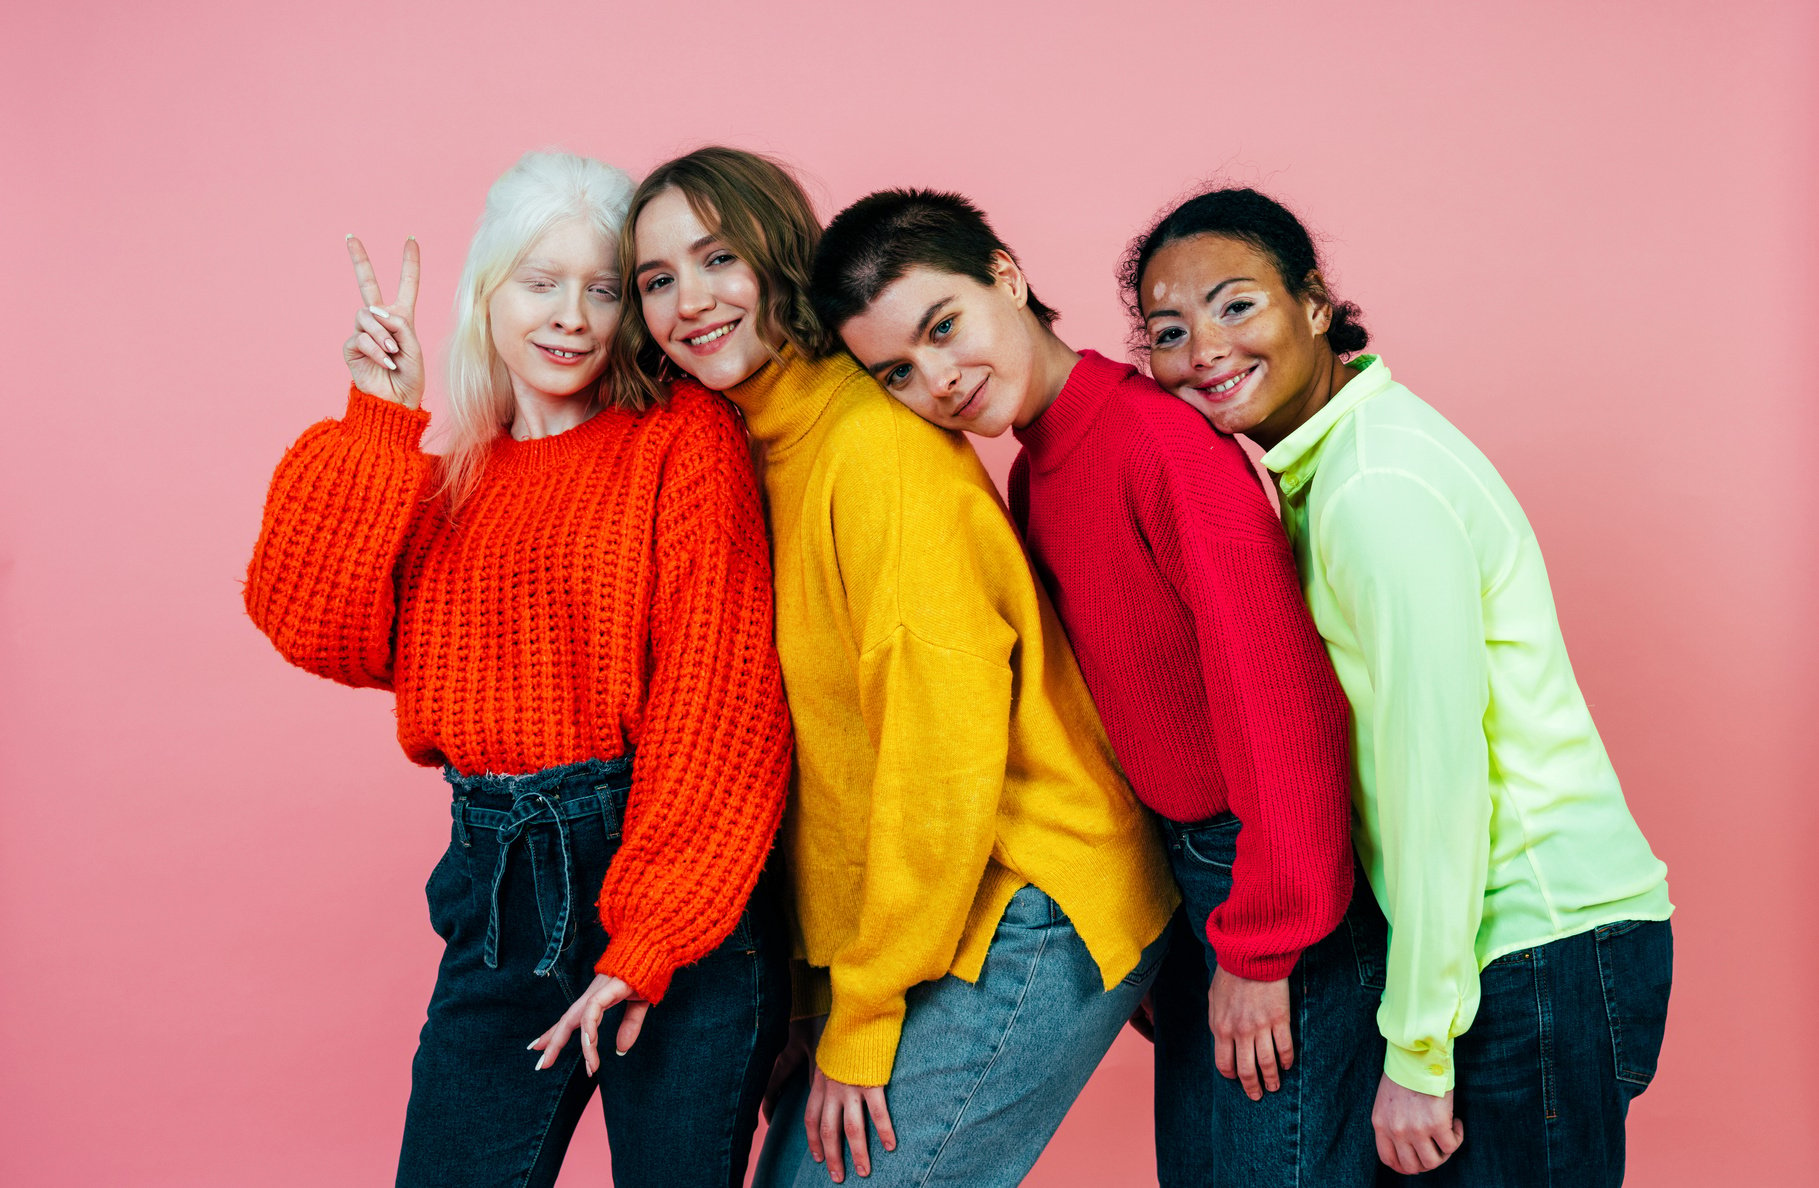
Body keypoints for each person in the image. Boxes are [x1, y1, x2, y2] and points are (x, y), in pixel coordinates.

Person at [611, 146, 1179, 1188]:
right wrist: (815, 992)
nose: (689, 301)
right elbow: (818, 756)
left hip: (1021, 893)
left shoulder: (874, 451)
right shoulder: (757, 446)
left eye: (717, 258)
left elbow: (938, 757)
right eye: (656, 279)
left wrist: (862, 1019)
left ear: (782, 257)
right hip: (921, 914)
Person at [812, 189, 1385, 1187]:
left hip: (1271, 883)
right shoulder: (1038, 472)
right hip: (1200, 878)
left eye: (943, 327)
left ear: (1005, 273)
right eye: (897, 371)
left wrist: (1262, 948)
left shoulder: (1157, 444)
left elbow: (1280, 705)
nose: (938, 380)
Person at [243, 150, 793, 1188]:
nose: (572, 318)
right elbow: (313, 625)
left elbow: (718, 707)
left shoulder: (683, 442)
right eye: (541, 283)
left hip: (674, 886)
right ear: (488, 291)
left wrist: (649, 939)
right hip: (501, 893)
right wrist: (377, 418)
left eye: (600, 288)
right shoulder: (460, 473)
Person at [1123, 186, 1674, 1185]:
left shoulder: (1372, 488)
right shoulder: (1325, 469)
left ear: (1315, 303)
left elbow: (1436, 778)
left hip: (1534, 945)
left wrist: (1418, 1051)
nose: (1201, 346)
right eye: (1168, 329)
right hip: (1492, 949)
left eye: (1234, 305)